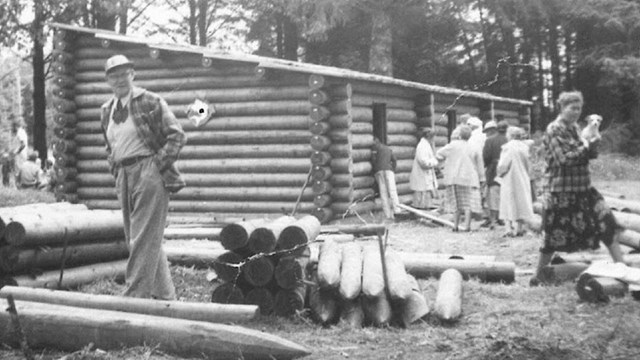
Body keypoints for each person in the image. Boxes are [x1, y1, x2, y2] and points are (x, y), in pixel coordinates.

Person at [100, 54, 187, 299]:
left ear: (133, 75)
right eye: (114, 75)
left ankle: (134, 297)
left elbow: (177, 135)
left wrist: (156, 164)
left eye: (124, 74)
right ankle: (166, 298)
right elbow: (109, 146)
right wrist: (116, 169)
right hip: (124, 174)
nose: (119, 80)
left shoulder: (150, 101)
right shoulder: (106, 110)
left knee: (141, 237)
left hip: (148, 171)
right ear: (108, 80)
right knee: (139, 237)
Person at [531, 91, 624, 286]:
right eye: (572, 108)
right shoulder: (554, 129)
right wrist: (587, 146)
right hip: (560, 192)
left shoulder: (575, 128)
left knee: (607, 223)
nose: (576, 112)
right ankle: (538, 277)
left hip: (584, 190)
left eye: (579, 108)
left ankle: (623, 270)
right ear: (562, 108)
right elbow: (564, 159)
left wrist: (593, 146)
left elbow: (587, 155)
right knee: (552, 237)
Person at [436, 125, 483, 231]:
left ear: (460, 135)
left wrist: (443, 163)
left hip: (454, 176)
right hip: (469, 177)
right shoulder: (474, 147)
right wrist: (482, 178)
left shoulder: (453, 145)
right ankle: (467, 226)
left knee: (456, 202)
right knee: (468, 203)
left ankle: (455, 226)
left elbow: (439, 154)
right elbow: (479, 164)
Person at [496, 126, 534, 237]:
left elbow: (503, 164)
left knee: (508, 201)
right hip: (522, 176)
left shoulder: (508, 147)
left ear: (511, 136)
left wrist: (500, 174)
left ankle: (508, 228)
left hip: (510, 177)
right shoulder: (525, 147)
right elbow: (529, 164)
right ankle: (519, 228)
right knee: (521, 201)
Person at [482, 120, 509, 228]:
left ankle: (493, 220)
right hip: (508, 170)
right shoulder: (509, 139)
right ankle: (502, 218)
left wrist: (486, 166)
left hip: (493, 169)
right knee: (505, 193)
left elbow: (486, 157)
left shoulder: (490, 140)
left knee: (493, 194)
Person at [409, 128, 438, 209]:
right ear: (430, 137)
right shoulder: (422, 146)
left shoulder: (426, 145)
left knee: (426, 196)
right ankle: (421, 212)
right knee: (421, 197)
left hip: (425, 177)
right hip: (422, 176)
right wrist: (434, 162)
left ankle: (424, 210)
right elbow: (423, 162)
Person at [371, 137, 400, 219]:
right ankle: (397, 211)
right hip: (388, 170)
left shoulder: (374, 150)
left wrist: (375, 169)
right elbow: (394, 159)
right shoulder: (388, 149)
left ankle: (387, 215)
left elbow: (373, 161)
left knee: (383, 193)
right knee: (392, 191)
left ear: (376, 143)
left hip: (379, 171)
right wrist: (393, 169)